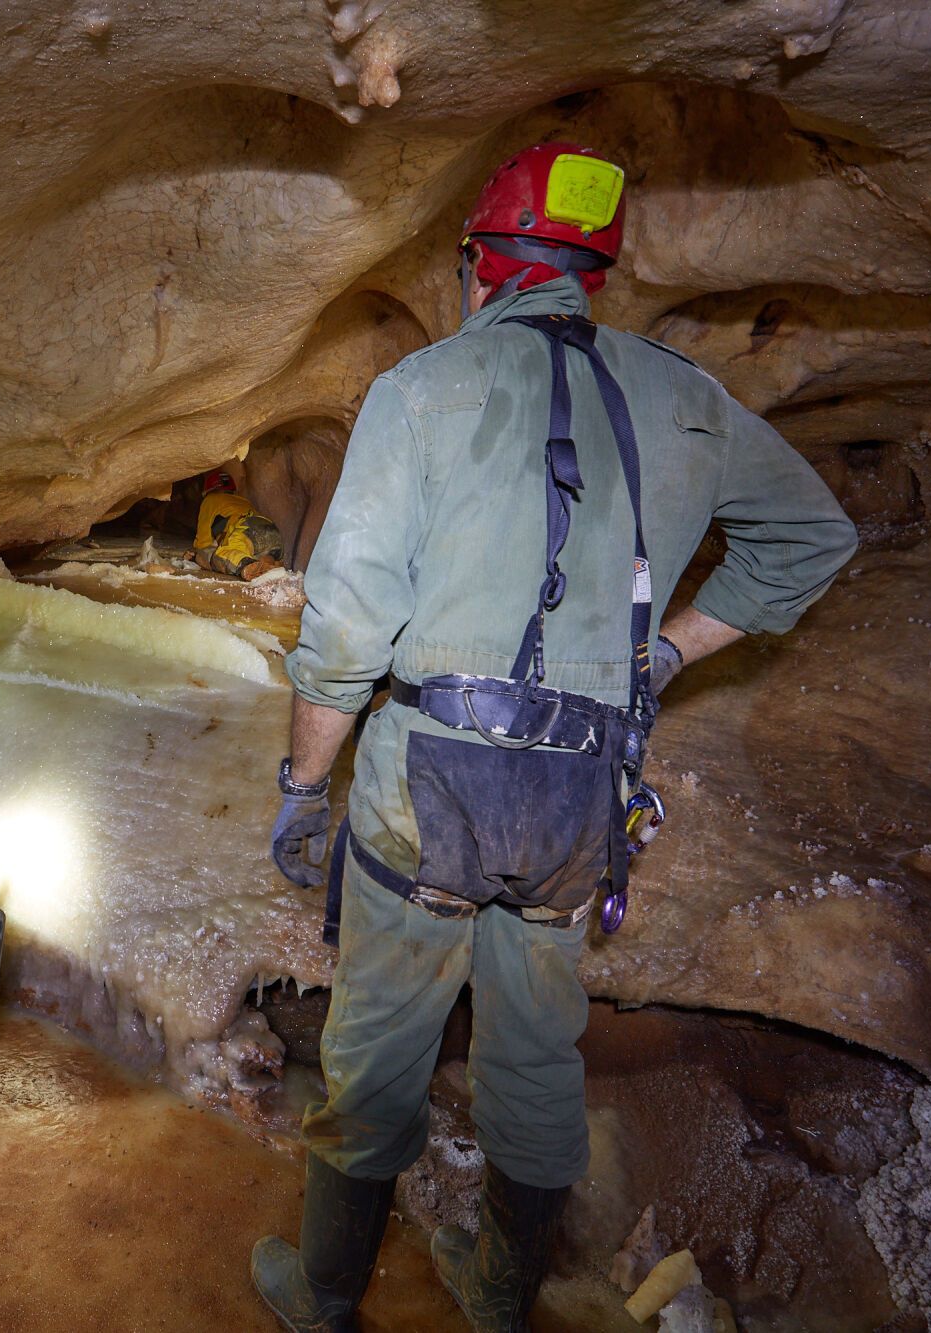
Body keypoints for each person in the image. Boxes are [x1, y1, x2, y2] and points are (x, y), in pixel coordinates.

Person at [253, 144, 858, 1331]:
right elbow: (809, 539)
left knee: (377, 1046)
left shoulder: (423, 390)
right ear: (591, 271)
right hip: (575, 799)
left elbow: (343, 633)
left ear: (480, 268)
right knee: (533, 1053)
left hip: (425, 786)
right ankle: (498, 1289)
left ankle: (324, 1297)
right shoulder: (684, 401)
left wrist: (299, 785)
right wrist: (664, 652)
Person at [194, 469, 286, 580]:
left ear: (208, 490)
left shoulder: (210, 500)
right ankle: (271, 564)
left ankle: (248, 566)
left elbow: (203, 542)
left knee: (221, 555)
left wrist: (197, 555)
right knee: (249, 552)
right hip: (273, 532)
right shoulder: (243, 500)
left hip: (247, 529)